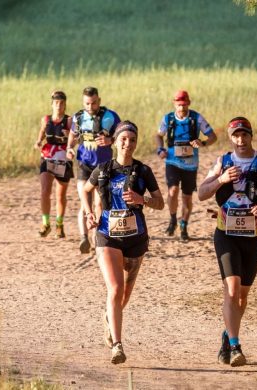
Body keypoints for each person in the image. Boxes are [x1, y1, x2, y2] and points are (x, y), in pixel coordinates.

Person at [198, 117, 257, 367]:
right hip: (226, 235)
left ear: (251, 135)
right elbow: (201, 193)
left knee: (242, 296)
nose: (240, 140)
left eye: (244, 135)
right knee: (231, 289)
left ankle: (227, 335)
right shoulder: (223, 162)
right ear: (231, 138)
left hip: (253, 237)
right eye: (236, 135)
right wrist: (221, 179)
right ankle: (236, 346)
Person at [82, 121, 164, 364]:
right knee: (115, 289)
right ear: (115, 142)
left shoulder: (144, 171)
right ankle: (117, 346)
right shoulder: (103, 170)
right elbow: (85, 189)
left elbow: (160, 202)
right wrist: (88, 213)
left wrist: (142, 199)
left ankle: (108, 318)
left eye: (132, 140)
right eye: (123, 139)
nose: (128, 144)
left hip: (136, 240)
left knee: (124, 296)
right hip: (107, 236)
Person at [155, 90, 217, 240]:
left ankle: (183, 225)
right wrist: (160, 149)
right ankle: (172, 219)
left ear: (189, 103)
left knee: (187, 198)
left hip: (190, 165)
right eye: (178, 105)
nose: (181, 108)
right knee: (173, 191)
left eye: (184, 105)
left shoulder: (196, 118)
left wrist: (202, 143)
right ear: (174, 104)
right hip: (172, 161)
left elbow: (213, 137)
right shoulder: (168, 119)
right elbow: (158, 135)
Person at [66, 86, 120, 253]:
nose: (90, 107)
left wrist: (110, 140)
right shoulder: (78, 117)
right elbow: (73, 135)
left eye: (93, 103)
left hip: (103, 166)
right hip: (84, 164)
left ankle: (99, 236)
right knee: (84, 202)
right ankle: (84, 238)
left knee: (99, 203)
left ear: (99, 101)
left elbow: (121, 134)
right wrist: (69, 147)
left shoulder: (110, 117)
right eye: (87, 104)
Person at [34, 91, 73, 238]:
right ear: (52, 104)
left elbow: (76, 138)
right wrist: (38, 141)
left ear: (65, 104)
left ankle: (59, 224)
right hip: (47, 156)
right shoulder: (46, 119)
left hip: (63, 158)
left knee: (60, 194)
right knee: (44, 190)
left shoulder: (69, 121)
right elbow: (42, 132)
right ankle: (45, 223)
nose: (59, 106)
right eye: (56, 103)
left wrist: (69, 135)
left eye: (62, 103)